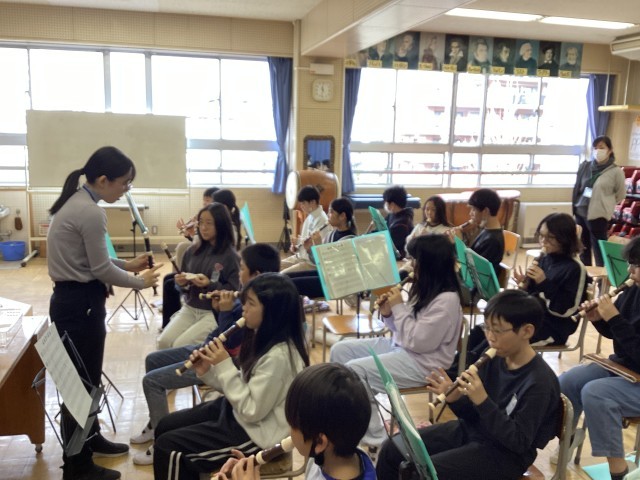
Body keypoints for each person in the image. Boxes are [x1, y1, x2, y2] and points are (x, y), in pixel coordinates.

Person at [47, 146, 162, 480]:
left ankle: (91, 439)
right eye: (124, 182)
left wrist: (127, 264)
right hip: (79, 304)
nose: (126, 189)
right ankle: (78, 466)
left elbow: (91, 259)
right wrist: (139, 281)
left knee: (87, 380)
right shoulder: (90, 212)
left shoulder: (78, 202)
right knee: (80, 388)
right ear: (102, 180)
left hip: (73, 301)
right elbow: (99, 269)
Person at [376, 289, 561, 480]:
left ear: (526, 331)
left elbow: (518, 442)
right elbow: (474, 416)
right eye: (487, 328)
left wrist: (483, 401)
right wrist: (455, 398)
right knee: (392, 449)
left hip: (506, 455)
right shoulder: (495, 356)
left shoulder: (539, 382)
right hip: (473, 431)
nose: (490, 337)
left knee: (422, 474)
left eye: (497, 330)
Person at [129, 243, 281, 465]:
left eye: (242, 268)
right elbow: (221, 332)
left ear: (256, 275)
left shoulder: (261, 315)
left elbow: (230, 344)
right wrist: (220, 311)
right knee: (153, 359)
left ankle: (159, 442)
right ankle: (156, 422)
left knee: (152, 382)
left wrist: (225, 312)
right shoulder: (250, 301)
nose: (239, 273)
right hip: (216, 357)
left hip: (226, 362)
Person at [152, 273, 310, 479]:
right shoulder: (261, 336)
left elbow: (251, 411)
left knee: (168, 447)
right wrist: (208, 372)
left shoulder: (279, 357)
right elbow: (241, 390)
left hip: (258, 435)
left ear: (272, 312)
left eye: (251, 303)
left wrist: (224, 364)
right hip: (238, 414)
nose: (243, 308)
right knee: (165, 426)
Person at [330, 234, 463, 451]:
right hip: (402, 348)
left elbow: (417, 342)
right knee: (340, 350)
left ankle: (377, 439)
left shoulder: (447, 300)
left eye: (415, 260)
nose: (411, 265)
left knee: (356, 371)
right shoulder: (425, 287)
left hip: (424, 365)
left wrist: (398, 307)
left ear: (430, 264)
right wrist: (389, 314)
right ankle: (346, 416)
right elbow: (402, 331)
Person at [558, 236, 640, 480]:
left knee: (597, 393)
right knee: (569, 381)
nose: (630, 271)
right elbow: (619, 334)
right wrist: (600, 319)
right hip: (626, 368)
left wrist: (614, 317)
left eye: (636, 265)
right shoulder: (633, 289)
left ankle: (618, 472)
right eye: (630, 263)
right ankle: (568, 440)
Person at [218, 363, 376, 480]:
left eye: (293, 425)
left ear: (320, 442)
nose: (289, 431)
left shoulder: (324, 455)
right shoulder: (344, 454)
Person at [157, 202, 240, 349]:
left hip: (212, 312)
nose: (203, 227)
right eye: (201, 222)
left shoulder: (230, 256)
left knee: (180, 345)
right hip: (190, 307)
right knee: (163, 341)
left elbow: (234, 291)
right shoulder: (192, 251)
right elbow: (182, 286)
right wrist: (181, 283)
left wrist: (210, 284)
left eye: (209, 223)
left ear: (221, 225)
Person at [514, 213, 587, 346]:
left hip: (553, 328)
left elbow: (567, 310)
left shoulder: (575, 268)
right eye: (541, 235)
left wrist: (544, 283)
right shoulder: (545, 258)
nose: (543, 241)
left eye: (550, 237)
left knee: (503, 342)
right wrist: (526, 286)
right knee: (484, 332)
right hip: (532, 318)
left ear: (565, 238)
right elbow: (535, 295)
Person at [163, 188, 218, 329]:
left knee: (170, 283)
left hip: (208, 280)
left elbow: (207, 246)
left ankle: (171, 320)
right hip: (199, 271)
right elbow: (201, 243)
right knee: (170, 280)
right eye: (204, 201)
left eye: (208, 201)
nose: (205, 204)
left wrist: (193, 235)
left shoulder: (222, 225)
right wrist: (190, 234)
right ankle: (170, 322)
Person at [286, 197, 358, 300]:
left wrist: (319, 246)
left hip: (335, 283)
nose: (328, 215)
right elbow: (318, 263)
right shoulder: (331, 234)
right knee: (286, 278)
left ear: (342, 216)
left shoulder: (350, 239)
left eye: (331, 212)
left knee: (291, 285)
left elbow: (332, 266)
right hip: (326, 276)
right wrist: (310, 250)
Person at [573, 135, 626, 266]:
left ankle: (602, 275)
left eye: (601, 148)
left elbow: (620, 194)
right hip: (581, 212)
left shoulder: (616, 171)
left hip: (599, 214)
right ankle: (586, 275)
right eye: (595, 148)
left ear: (610, 150)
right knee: (583, 248)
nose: (597, 151)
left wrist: (605, 203)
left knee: (599, 249)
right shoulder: (585, 167)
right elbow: (578, 188)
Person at [280, 185, 329, 274]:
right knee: (275, 265)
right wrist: (296, 246)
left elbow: (315, 247)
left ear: (313, 202)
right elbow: (306, 240)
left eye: (303, 203)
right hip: (301, 257)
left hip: (311, 263)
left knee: (282, 275)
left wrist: (299, 241)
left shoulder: (323, 220)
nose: (301, 206)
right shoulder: (310, 216)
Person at [382, 185, 414, 259]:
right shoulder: (393, 214)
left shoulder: (401, 224)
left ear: (392, 205)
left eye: (386, 202)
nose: (384, 204)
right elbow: (383, 225)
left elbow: (394, 250)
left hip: (398, 258)